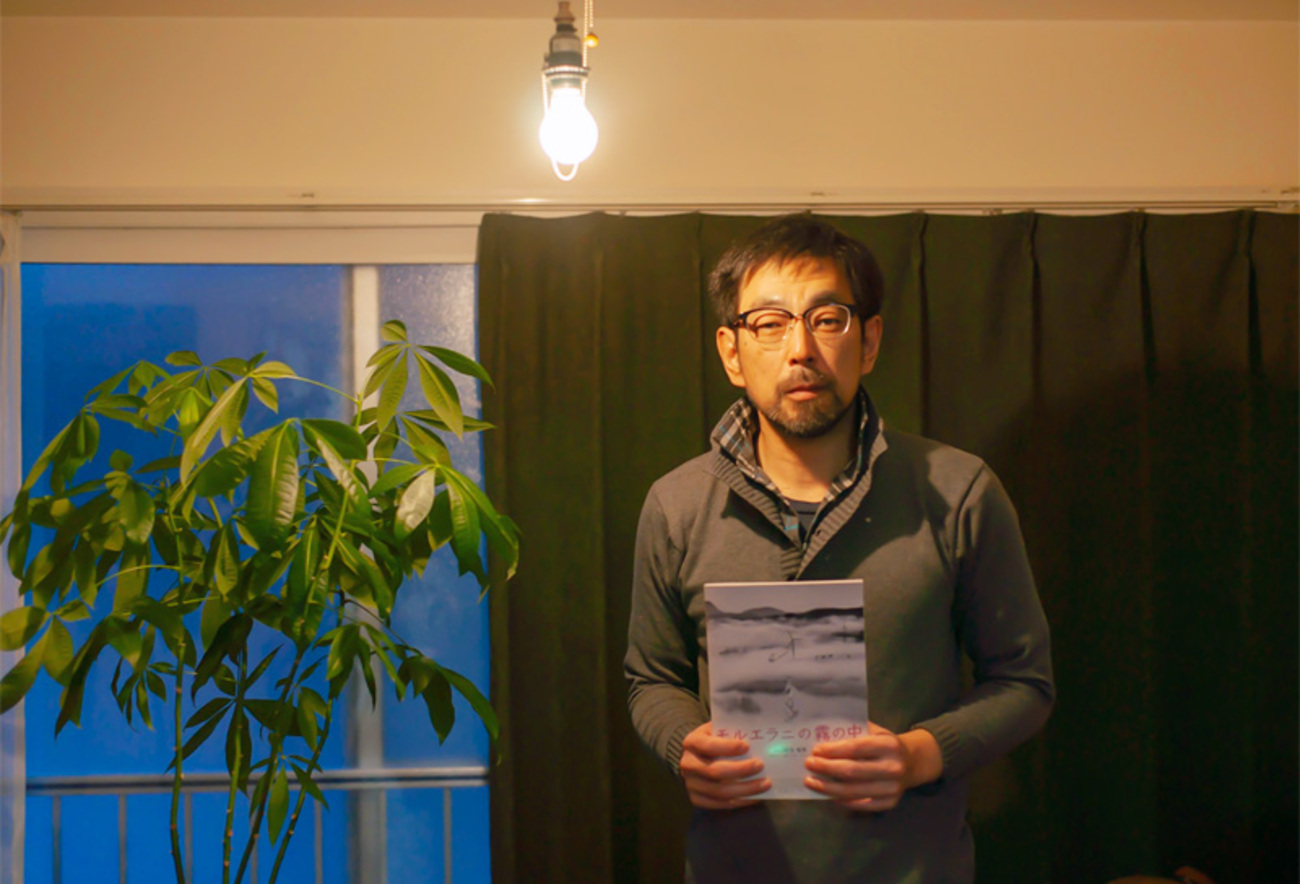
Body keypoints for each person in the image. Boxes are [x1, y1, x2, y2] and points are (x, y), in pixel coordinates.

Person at [624, 214, 1055, 883]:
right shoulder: (677, 505)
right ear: (731, 353)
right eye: (770, 323)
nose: (801, 348)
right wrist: (686, 743)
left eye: (827, 319)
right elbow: (650, 679)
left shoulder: (958, 491)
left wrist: (918, 755)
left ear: (869, 340)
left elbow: (1025, 682)